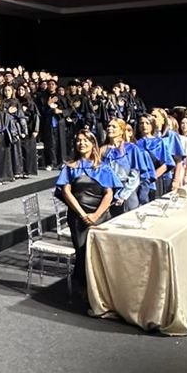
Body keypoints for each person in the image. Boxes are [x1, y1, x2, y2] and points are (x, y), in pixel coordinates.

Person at [55, 132, 118, 310]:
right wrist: (83, 214)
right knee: (83, 252)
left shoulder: (103, 167)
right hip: (78, 216)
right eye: (78, 140)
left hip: (101, 215)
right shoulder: (70, 167)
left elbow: (109, 193)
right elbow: (66, 192)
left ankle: (103, 290)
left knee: (101, 252)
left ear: (93, 144)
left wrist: (96, 215)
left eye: (85, 141)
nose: (81, 143)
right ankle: (85, 290)